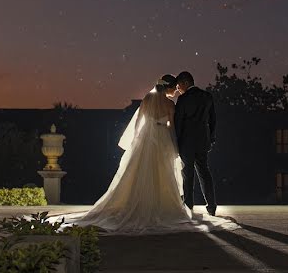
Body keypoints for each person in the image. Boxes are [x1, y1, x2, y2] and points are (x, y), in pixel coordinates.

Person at [60, 75, 191, 233]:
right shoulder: (170, 104)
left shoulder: (148, 98)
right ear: (168, 87)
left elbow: (138, 121)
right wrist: (173, 143)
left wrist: (137, 138)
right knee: (162, 171)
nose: (176, 91)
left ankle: (139, 202)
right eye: (174, 88)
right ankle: (159, 204)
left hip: (146, 138)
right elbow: (171, 126)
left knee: (140, 170)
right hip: (162, 137)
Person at [174, 70, 217, 216]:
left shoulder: (183, 99)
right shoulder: (207, 96)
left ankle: (188, 207)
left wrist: (176, 142)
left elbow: (178, 123)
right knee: (204, 172)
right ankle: (212, 206)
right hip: (203, 141)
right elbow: (213, 120)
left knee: (188, 174)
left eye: (179, 86)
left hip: (186, 142)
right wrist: (211, 138)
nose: (178, 89)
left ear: (185, 83)